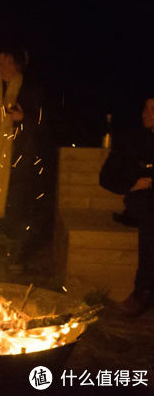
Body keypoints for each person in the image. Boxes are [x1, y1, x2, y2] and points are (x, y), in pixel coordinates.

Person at [0, 46, 47, 271]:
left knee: (16, 207)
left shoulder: (30, 88)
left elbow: (43, 122)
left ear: (17, 65)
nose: (3, 68)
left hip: (19, 156)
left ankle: (16, 257)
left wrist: (23, 118)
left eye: (7, 63)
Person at [100, 97, 154, 316]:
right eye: (145, 108)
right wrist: (132, 184)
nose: (147, 113)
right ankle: (142, 291)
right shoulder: (130, 141)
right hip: (141, 202)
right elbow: (106, 177)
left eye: (153, 109)